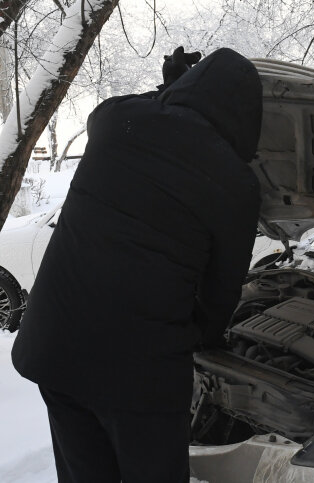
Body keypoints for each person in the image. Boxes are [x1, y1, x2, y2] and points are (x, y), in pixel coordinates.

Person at [11, 47, 263, 482]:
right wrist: (194, 337)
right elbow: (221, 295)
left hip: (55, 350)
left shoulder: (116, 123)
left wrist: (167, 90)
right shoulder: (237, 185)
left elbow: (120, 109)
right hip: (140, 375)